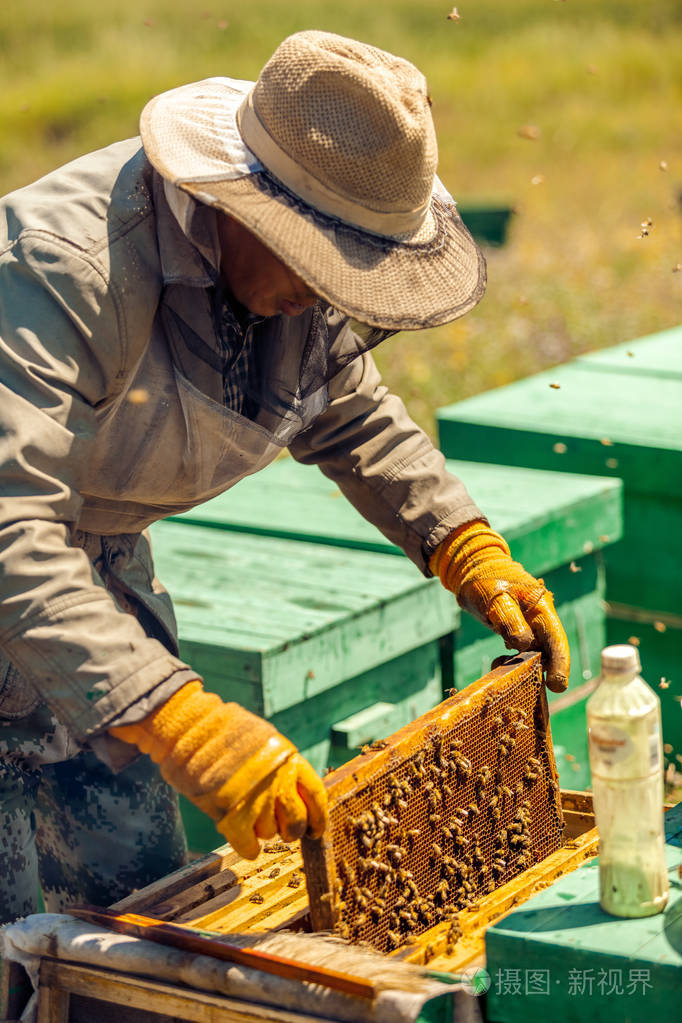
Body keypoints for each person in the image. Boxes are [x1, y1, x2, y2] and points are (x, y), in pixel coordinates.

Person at [0, 29, 569, 924]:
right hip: (19, 551)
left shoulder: (295, 290)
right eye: (319, 261)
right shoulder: (64, 265)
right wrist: (174, 717)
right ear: (239, 201)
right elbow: (9, 529)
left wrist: (465, 544)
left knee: (137, 911)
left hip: (91, 569)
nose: (330, 293)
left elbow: (347, 405)